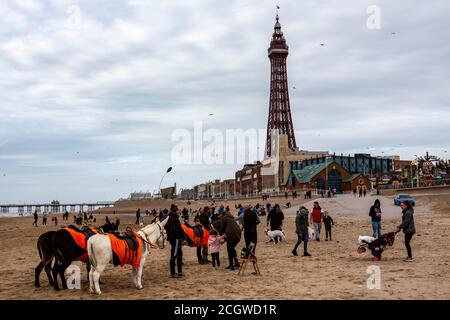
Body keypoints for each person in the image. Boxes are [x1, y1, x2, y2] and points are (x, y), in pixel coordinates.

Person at [165, 204, 186, 277]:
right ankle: (172, 273)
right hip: (175, 239)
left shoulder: (173, 217)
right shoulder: (172, 218)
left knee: (179, 254)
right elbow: (175, 230)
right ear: (175, 210)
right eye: (178, 210)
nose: (179, 211)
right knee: (174, 254)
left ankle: (180, 271)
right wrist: (180, 238)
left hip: (176, 239)